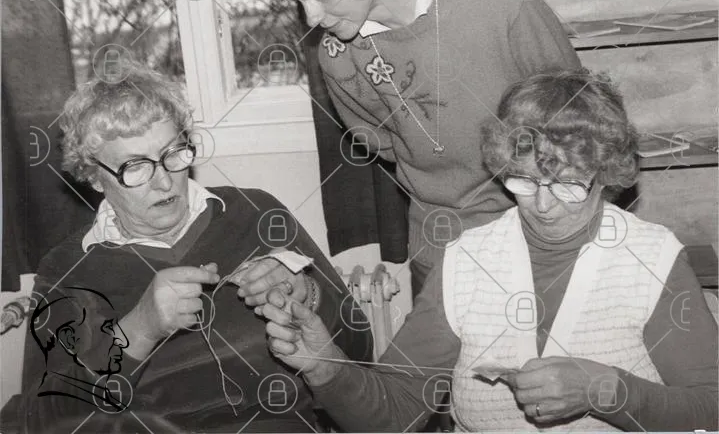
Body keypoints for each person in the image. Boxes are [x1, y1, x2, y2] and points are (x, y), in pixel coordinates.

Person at [261, 69, 719, 432]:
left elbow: (710, 408)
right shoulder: (467, 261)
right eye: (525, 181)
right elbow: (395, 413)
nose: (543, 206)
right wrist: (326, 368)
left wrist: (607, 390)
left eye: (568, 184)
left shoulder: (651, 259)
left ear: (606, 175)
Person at [7, 61, 372, 434]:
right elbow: (41, 423)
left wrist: (308, 295)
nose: (165, 182)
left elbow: (361, 351)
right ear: (94, 177)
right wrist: (138, 331)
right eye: (135, 167)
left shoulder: (256, 214)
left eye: (173, 153)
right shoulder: (67, 268)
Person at [255, 0, 581, 296]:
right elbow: (384, 144)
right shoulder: (336, 56)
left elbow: (582, 122)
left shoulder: (504, 3)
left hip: (544, 229)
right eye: (299, 2)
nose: (312, 18)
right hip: (440, 245)